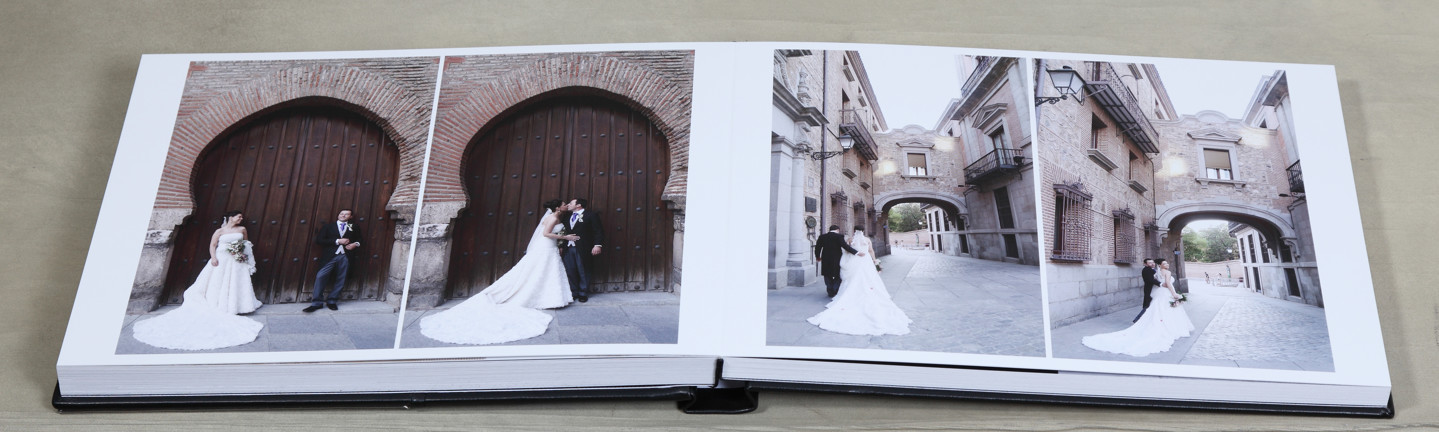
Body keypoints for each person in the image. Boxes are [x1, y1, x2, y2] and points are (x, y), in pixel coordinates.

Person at [419, 199, 572, 345]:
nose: (565, 205)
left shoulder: (555, 216)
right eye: (564, 204)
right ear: (557, 207)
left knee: (544, 273)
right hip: (545, 247)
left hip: (549, 248)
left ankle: (548, 297)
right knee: (539, 271)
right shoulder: (552, 218)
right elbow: (546, 233)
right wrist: (565, 236)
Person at [132, 210, 264, 350]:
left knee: (236, 282)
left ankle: (236, 305)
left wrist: (241, 254)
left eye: (242, 216)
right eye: (239, 216)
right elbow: (213, 245)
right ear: (231, 217)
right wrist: (213, 258)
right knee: (218, 282)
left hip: (236, 261)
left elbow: (245, 243)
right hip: (222, 259)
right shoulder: (219, 231)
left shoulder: (242, 229)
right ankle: (219, 303)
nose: (241, 218)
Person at [806, 226, 910, 336]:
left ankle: (833, 290)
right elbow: (870, 251)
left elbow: (845, 249)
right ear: (863, 231)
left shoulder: (849, 239)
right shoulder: (867, 240)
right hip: (865, 261)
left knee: (847, 278)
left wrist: (847, 258)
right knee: (866, 278)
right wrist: (875, 261)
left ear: (854, 231)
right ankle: (837, 289)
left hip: (852, 262)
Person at [1082, 259, 1194, 356]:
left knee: (1157, 309)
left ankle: (1152, 322)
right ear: (1161, 265)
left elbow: (1157, 281)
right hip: (1166, 292)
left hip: (1160, 292)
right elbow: (1168, 284)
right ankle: (1170, 327)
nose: (1167, 264)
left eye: (1167, 263)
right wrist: (1174, 294)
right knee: (1165, 309)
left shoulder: (1157, 273)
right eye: (1165, 263)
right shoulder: (1167, 272)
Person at [304, 209, 361, 312]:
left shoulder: (354, 227)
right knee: (320, 276)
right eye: (341, 213)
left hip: (346, 256)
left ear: (350, 217)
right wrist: (337, 241)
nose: (343, 215)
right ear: (338, 215)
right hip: (330, 256)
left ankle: (332, 301)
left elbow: (359, 239)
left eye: (346, 214)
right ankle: (317, 303)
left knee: (341, 278)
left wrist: (355, 244)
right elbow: (319, 240)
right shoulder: (328, 226)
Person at [560, 198, 603, 302]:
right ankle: (573, 292)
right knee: (570, 270)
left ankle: (583, 293)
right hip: (568, 247)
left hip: (583, 247)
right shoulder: (567, 216)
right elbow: (563, 231)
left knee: (583, 270)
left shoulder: (590, 215)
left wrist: (597, 245)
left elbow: (598, 231)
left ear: (578, 205)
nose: (568, 205)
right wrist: (561, 245)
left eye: (571, 203)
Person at [814, 225, 860, 298]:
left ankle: (830, 290)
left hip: (826, 258)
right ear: (837, 230)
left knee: (827, 274)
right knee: (837, 274)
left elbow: (818, 248)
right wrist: (856, 252)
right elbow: (845, 246)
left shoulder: (822, 236)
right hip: (837, 258)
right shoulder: (839, 236)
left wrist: (818, 256)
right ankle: (835, 289)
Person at [1132, 258, 1160, 323]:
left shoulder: (1152, 269)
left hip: (1154, 289)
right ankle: (1138, 319)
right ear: (1145, 264)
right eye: (1150, 263)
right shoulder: (1146, 270)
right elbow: (1151, 280)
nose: (1152, 264)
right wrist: (1160, 283)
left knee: (1151, 304)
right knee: (1148, 305)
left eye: (1153, 262)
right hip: (1150, 289)